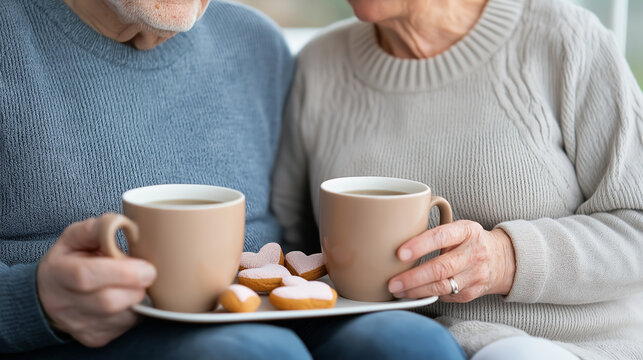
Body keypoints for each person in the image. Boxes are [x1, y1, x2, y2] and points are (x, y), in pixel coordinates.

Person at [0, 0, 466, 359]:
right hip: (76, 338)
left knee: (408, 343)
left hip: (263, 318)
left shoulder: (255, 42)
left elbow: (303, 234)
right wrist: (34, 299)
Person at [271, 0, 643, 359]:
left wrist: (506, 259)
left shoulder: (567, 39)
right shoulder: (317, 66)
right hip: (395, 346)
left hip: (567, 346)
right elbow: (291, 245)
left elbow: (636, 225)